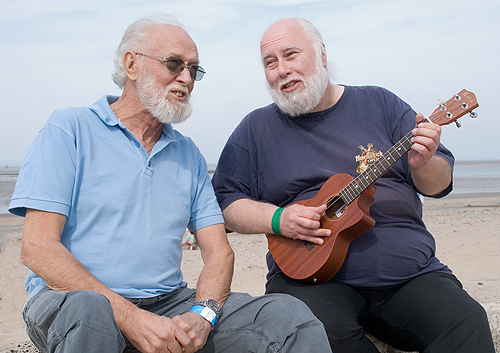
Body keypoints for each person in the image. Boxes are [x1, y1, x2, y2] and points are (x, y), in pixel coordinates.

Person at [9, 14, 332, 353]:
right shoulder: (69, 129)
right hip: (71, 300)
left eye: (194, 69)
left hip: (167, 304)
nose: (186, 78)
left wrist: (203, 314)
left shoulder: (188, 154)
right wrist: (131, 318)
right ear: (131, 64)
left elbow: (219, 252)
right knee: (92, 311)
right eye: (174, 64)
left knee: (286, 315)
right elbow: (38, 248)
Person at [212, 18, 495, 353]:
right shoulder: (255, 129)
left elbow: (438, 184)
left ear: (322, 55)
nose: (281, 70)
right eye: (270, 62)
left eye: (291, 54)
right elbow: (225, 204)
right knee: (319, 335)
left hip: (408, 275)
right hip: (309, 277)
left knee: (467, 323)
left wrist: (423, 164)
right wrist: (278, 219)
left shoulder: (380, 103)